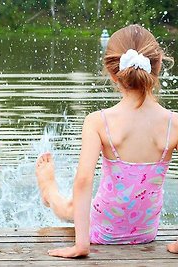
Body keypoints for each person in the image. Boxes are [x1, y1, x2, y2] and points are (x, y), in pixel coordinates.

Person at [35, 24, 178, 258]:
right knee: (83, 205)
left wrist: (82, 245)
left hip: (103, 231)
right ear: (159, 65)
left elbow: (83, 181)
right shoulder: (174, 123)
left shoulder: (98, 122)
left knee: (70, 207)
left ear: (112, 73)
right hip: (146, 232)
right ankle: (51, 192)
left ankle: (49, 191)